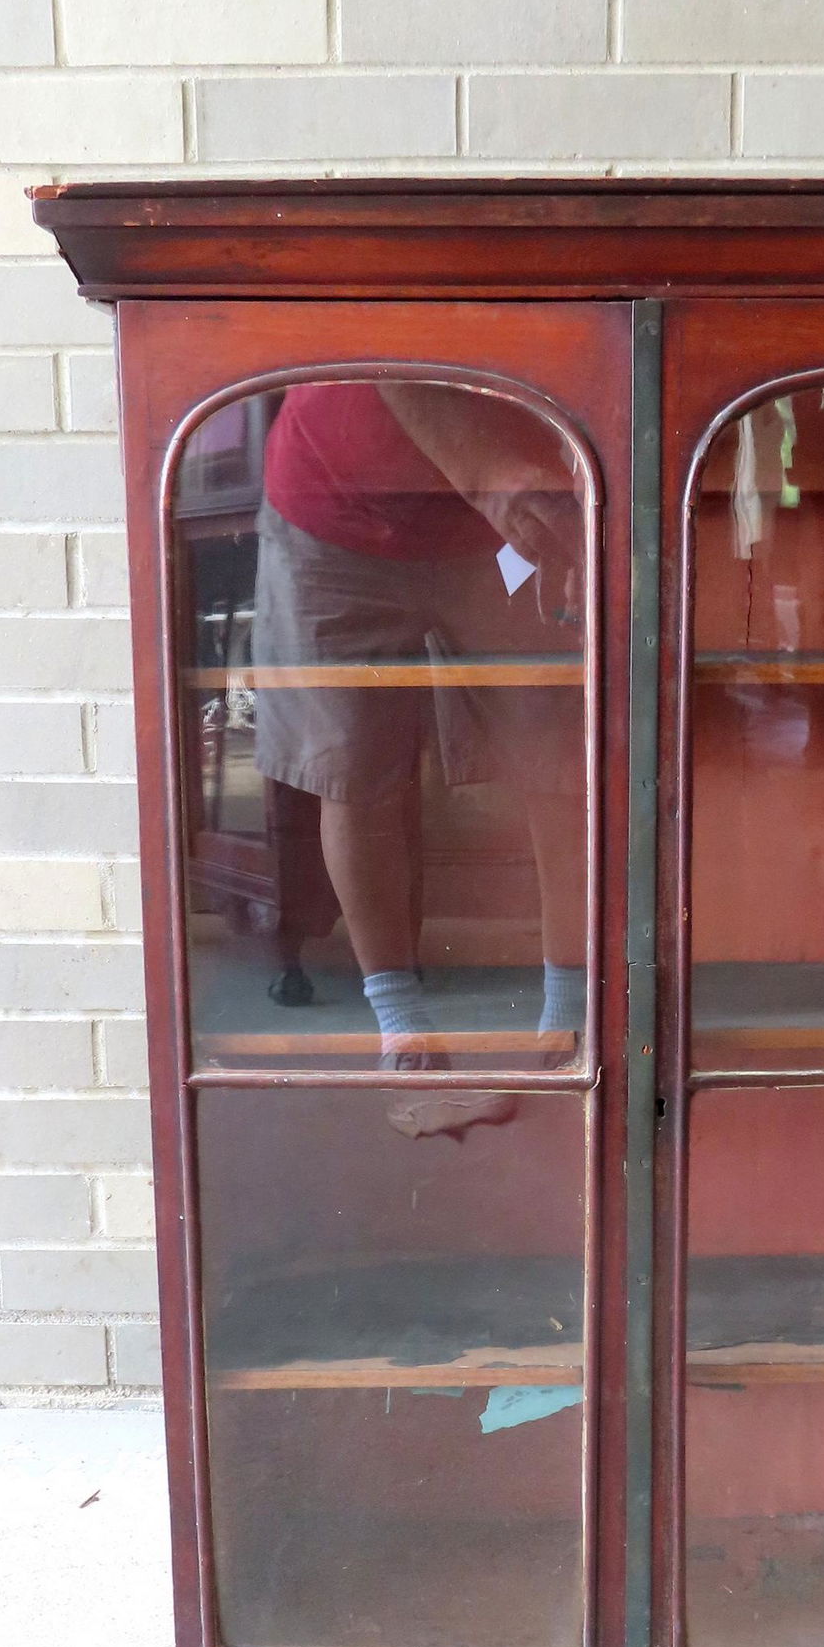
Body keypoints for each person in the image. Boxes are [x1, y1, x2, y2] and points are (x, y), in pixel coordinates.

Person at [250, 379, 587, 1126]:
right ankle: (399, 1020)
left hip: (500, 532)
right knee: (351, 769)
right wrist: (497, 482)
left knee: (565, 760)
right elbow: (388, 347)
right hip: (329, 515)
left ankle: (569, 1014)